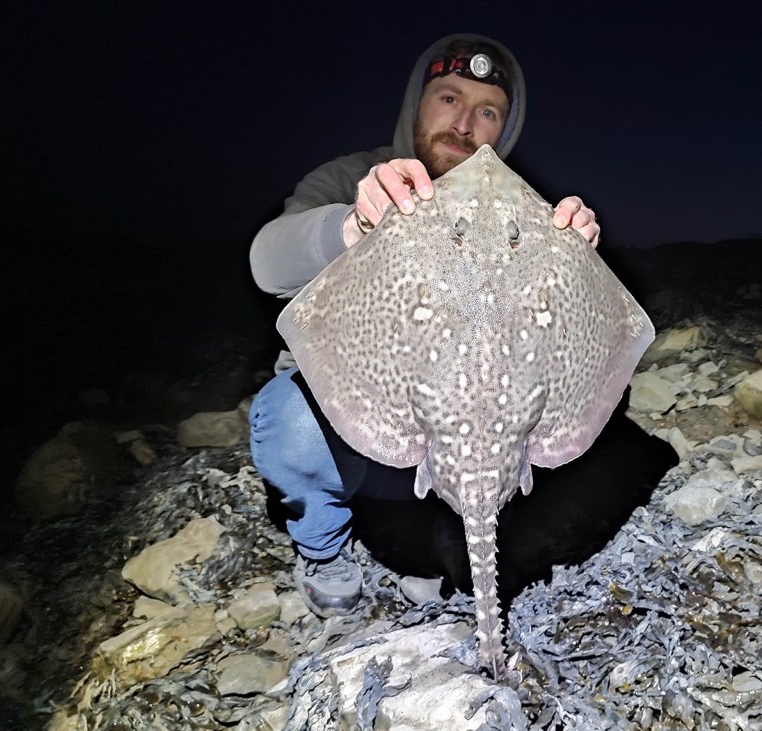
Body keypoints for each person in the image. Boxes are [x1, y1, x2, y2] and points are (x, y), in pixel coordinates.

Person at [249, 33, 601, 615]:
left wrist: (577, 267)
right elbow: (267, 263)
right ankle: (323, 545)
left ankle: (439, 531)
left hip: (462, 445)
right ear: (417, 104)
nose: (465, 123)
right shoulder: (354, 177)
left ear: (503, 133)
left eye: (487, 112)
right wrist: (351, 227)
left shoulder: (524, 213)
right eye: (448, 98)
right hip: (352, 426)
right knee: (290, 421)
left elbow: (566, 348)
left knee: (450, 569)